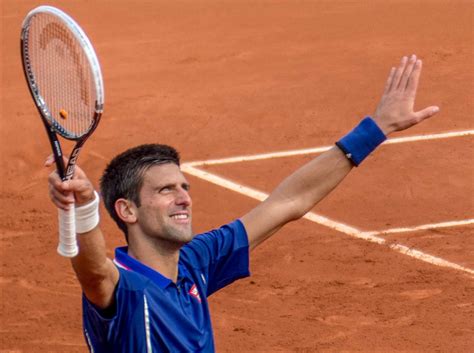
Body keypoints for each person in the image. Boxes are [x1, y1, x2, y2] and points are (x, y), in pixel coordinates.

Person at [47, 55, 439, 352]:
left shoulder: (196, 262)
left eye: (184, 186)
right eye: (165, 190)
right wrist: (82, 206)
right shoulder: (125, 288)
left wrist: (375, 130)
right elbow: (94, 271)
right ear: (126, 210)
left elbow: (289, 201)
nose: (184, 197)